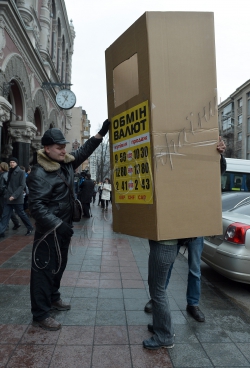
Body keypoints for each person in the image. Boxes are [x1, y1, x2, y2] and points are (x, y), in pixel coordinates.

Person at [143, 138, 226, 350]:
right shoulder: (171, 167)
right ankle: (162, 324)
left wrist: (218, 153)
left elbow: (216, 170)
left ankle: (165, 334)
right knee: (159, 283)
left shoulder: (190, 174)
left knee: (160, 286)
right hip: (170, 234)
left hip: (173, 235)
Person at [27, 120, 110, 331]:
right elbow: (36, 207)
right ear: (47, 149)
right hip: (48, 233)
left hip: (63, 229)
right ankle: (41, 314)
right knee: (43, 272)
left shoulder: (64, 164)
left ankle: (53, 298)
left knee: (59, 267)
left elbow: (82, 152)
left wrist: (100, 134)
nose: (64, 150)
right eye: (59, 147)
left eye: (64, 146)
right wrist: (57, 225)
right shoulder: (39, 173)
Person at [0, 158, 33, 237]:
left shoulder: (21, 172)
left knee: (21, 214)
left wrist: (14, 195)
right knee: (5, 215)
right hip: (8, 197)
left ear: (17, 163)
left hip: (16, 198)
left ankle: (30, 227)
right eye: (10, 162)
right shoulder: (8, 172)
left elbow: (22, 185)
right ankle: (1, 231)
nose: (12, 163)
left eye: (13, 162)